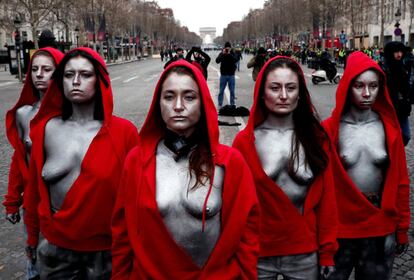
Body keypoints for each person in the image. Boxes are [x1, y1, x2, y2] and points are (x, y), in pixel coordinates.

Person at [111, 60, 260, 279]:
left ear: (203, 103)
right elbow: (122, 233)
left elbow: (248, 233)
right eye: (169, 97)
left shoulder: (231, 162)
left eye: (189, 97)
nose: (178, 106)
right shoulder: (136, 160)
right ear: (157, 103)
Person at [24, 47, 139, 279]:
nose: (76, 81)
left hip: (109, 254)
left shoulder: (124, 133)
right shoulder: (44, 130)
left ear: (100, 80)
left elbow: (137, 198)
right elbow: (34, 190)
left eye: (85, 74)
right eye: (68, 75)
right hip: (57, 255)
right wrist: (32, 238)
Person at [233, 56, 338, 280]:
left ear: (300, 93)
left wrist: (327, 251)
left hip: (305, 252)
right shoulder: (244, 143)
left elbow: (327, 200)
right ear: (262, 92)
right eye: (275, 88)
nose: (283, 96)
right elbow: (236, 207)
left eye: (290, 88)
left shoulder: (318, 139)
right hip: (258, 253)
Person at [323, 51, 410, 280]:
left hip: (379, 227)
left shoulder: (389, 130)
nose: (367, 93)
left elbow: (401, 181)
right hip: (339, 229)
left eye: (373, 86)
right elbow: (318, 187)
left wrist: (401, 228)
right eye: (359, 85)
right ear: (347, 86)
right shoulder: (329, 131)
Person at [3, 47, 63, 280]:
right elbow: (19, 160)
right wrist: (12, 201)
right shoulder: (23, 114)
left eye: (47, 69)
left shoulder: (73, 113)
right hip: (34, 204)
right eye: (34, 69)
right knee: (35, 265)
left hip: (64, 207)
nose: (39, 74)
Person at [381, 41, 412, 145]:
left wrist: (407, 99)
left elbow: (407, 88)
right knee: (389, 138)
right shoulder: (384, 69)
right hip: (389, 110)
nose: (399, 54)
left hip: (402, 110)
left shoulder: (403, 68)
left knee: (406, 136)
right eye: (396, 52)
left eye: (400, 51)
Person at [215, 42, 237, 108]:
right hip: (223, 75)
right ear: (224, 48)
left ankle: (232, 104)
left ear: (230, 48)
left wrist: (229, 54)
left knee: (232, 91)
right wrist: (223, 54)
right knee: (221, 91)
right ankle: (219, 104)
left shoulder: (232, 53)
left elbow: (235, 60)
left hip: (231, 75)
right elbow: (217, 61)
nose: (227, 49)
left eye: (228, 48)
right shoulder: (222, 53)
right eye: (226, 48)